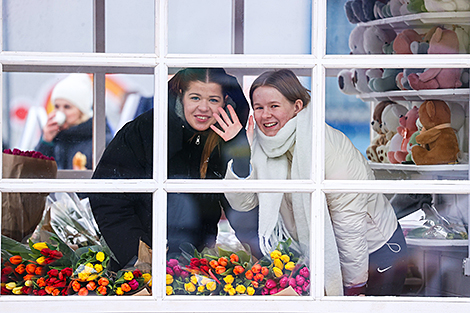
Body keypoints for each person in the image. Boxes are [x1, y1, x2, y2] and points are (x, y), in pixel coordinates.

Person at [224, 69, 408, 296]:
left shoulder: (326, 146)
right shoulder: (260, 142)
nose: (265, 115)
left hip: (375, 251)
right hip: (319, 255)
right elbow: (243, 204)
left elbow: (349, 226)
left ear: (297, 106)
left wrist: (353, 289)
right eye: (259, 107)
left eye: (274, 106)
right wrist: (241, 152)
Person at [88, 68, 256, 271]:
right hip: (140, 268)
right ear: (181, 97)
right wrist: (138, 257)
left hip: (196, 268)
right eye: (195, 97)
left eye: (213, 100)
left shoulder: (227, 139)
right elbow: (108, 197)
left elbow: (240, 207)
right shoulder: (146, 130)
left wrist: (265, 260)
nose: (203, 108)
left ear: (225, 102)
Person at [34, 73, 113, 170]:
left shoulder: (101, 139)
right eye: (57, 106)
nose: (60, 112)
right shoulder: (56, 138)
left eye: (67, 107)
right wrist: (45, 142)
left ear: (81, 111)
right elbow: (35, 172)